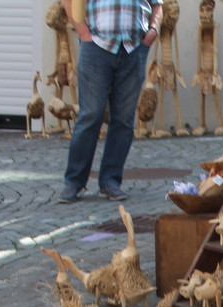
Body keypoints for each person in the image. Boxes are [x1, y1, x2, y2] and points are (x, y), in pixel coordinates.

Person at [58, 0, 164, 204]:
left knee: (123, 120)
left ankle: (110, 181)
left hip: (134, 48)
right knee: (91, 115)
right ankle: (74, 181)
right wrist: (84, 34)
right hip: (97, 46)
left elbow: (157, 5)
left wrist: (152, 32)